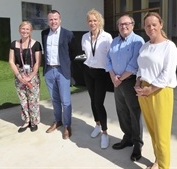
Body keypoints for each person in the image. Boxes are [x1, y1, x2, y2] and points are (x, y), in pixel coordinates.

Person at [134, 12, 177, 169]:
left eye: (154, 24)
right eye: (147, 25)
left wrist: (150, 89)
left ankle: (164, 166)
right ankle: (158, 161)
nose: (151, 27)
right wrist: (137, 83)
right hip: (144, 91)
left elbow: (167, 74)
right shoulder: (145, 46)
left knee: (162, 134)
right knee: (153, 131)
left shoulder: (169, 47)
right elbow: (140, 68)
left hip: (160, 91)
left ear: (161, 25)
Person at [106, 15, 144, 161]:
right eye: (120, 24)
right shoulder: (114, 41)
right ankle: (127, 138)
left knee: (134, 113)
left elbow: (134, 64)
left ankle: (137, 144)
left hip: (129, 81)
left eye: (127, 24)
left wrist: (119, 79)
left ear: (132, 25)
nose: (123, 26)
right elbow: (108, 60)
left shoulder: (137, 41)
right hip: (116, 82)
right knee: (121, 111)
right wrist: (112, 77)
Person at [41, 10, 77, 139]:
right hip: (49, 71)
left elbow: (73, 52)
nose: (53, 21)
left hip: (62, 71)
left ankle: (67, 125)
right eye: (51, 19)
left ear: (60, 20)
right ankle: (58, 121)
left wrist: (66, 64)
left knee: (66, 101)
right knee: (54, 99)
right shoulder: (44, 33)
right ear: (48, 21)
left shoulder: (68, 34)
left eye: (55, 19)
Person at [81, 9, 113, 149]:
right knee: (93, 100)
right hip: (88, 71)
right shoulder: (84, 37)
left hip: (101, 73)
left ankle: (105, 132)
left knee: (99, 103)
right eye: (90, 21)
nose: (92, 23)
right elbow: (85, 53)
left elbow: (111, 56)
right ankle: (97, 124)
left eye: (95, 20)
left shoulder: (107, 37)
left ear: (99, 21)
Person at [9, 21, 42, 133]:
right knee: (23, 99)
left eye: (27, 29)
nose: (25, 31)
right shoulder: (14, 44)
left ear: (31, 31)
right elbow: (11, 61)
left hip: (32, 75)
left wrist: (31, 76)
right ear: (19, 30)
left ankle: (34, 121)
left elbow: (38, 62)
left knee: (33, 99)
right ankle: (26, 120)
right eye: (23, 29)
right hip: (20, 75)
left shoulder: (36, 44)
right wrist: (18, 75)